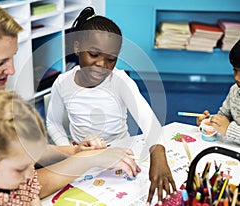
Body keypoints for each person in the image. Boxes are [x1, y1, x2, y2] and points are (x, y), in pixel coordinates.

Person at [0, 0, 140, 204]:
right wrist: (86, 160)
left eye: (13, 58)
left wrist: (74, 151)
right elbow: (14, 190)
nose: (11, 71)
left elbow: (18, 146)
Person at [46, 6, 177, 204]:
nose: (101, 65)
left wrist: (158, 156)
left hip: (121, 153)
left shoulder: (120, 81)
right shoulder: (62, 83)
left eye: (111, 59)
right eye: (93, 54)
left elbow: (148, 120)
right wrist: (69, 152)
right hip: (83, 156)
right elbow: (53, 123)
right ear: (77, 47)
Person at [196, 39, 240, 144]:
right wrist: (210, 121)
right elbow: (223, 116)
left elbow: (227, 127)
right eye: (235, 70)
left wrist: (229, 129)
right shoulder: (235, 90)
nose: (237, 77)